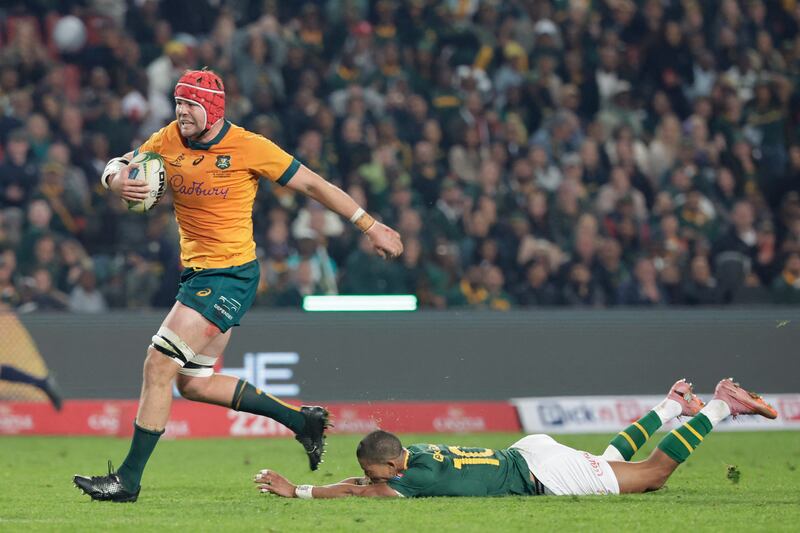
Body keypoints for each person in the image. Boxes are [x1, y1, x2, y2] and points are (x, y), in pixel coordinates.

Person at [74, 69, 403, 503]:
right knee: (193, 384)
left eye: (190, 104)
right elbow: (119, 164)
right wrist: (115, 179)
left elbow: (312, 184)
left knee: (158, 364)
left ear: (211, 109)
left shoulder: (248, 146)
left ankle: (127, 481)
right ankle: (302, 422)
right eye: (177, 102)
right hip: (196, 273)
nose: (180, 111)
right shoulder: (168, 138)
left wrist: (369, 224)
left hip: (230, 274)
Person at [253, 378, 777, 498]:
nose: (373, 481)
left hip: (539, 471)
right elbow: (362, 482)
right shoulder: (413, 456)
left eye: (376, 476)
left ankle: (718, 405)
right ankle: (671, 404)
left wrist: (297, 491)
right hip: (529, 449)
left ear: (391, 467)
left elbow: (356, 490)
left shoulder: (414, 480)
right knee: (607, 461)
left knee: (651, 477)